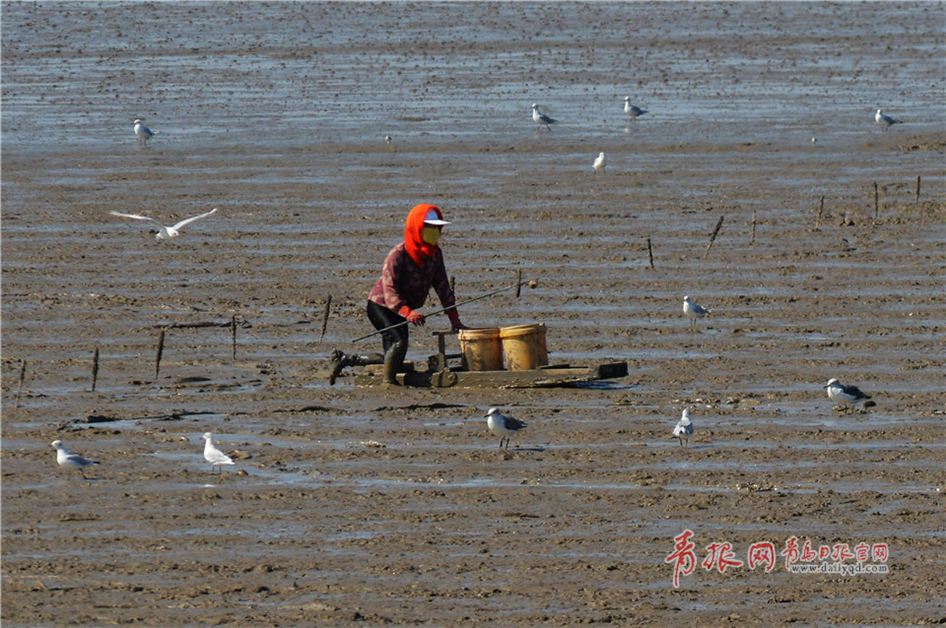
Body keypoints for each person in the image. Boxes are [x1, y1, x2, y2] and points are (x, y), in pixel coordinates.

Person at [329, 203, 466, 385]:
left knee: (396, 359)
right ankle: (388, 383)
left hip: (403, 309)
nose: (434, 231)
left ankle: (347, 360)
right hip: (382, 306)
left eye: (437, 228)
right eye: (429, 227)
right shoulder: (398, 254)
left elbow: (443, 288)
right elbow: (389, 289)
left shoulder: (435, 255)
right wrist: (407, 313)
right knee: (399, 342)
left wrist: (455, 320)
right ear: (416, 227)